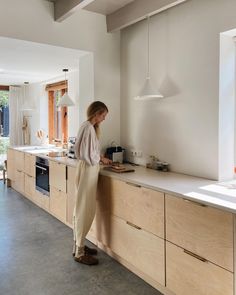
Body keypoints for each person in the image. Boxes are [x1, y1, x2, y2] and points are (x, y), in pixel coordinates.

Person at [73, 101, 112, 265]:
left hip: (86, 168)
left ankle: (78, 246)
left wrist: (100, 158)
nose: (104, 119)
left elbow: (85, 152)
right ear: (96, 113)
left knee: (80, 207)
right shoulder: (89, 128)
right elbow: (89, 156)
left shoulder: (86, 126)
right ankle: (80, 253)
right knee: (86, 209)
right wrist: (100, 159)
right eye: (103, 115)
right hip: (89, 169)